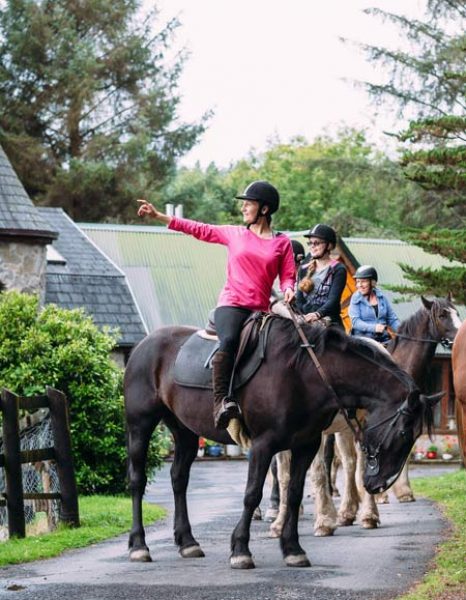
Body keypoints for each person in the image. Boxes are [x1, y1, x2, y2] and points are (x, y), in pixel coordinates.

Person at [137, 181, 296, 429]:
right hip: (232, 305)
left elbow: (287, 275)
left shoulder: (282, 243)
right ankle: (221, 401)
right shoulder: (235, 234)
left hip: (261, 310)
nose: (243, 208)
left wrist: (289, 289)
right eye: (243, 204)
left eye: (248, 204)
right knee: (230, 340)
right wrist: (159, 216)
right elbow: (198, 229)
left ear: (264, 209)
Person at [295, 224, 347, 328]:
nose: (312, 246)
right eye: (310, 243)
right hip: (306, 320)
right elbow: (299, 299)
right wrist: (303, 317)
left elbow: (333, 300)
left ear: (329, 245)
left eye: (316, 243)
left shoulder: (338, 269)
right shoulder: (303, 268)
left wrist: (317, 314)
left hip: (329, 321)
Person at [349, 265, 400, 343]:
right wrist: (374, 328)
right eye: (358, 281)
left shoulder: (382, 298)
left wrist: (403, 331)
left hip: (383, 338)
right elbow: (355, 322)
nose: (359, 285)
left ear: (372, 282)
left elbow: (392, 319)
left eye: (363, 281)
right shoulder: (355, 298)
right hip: (362, 339)